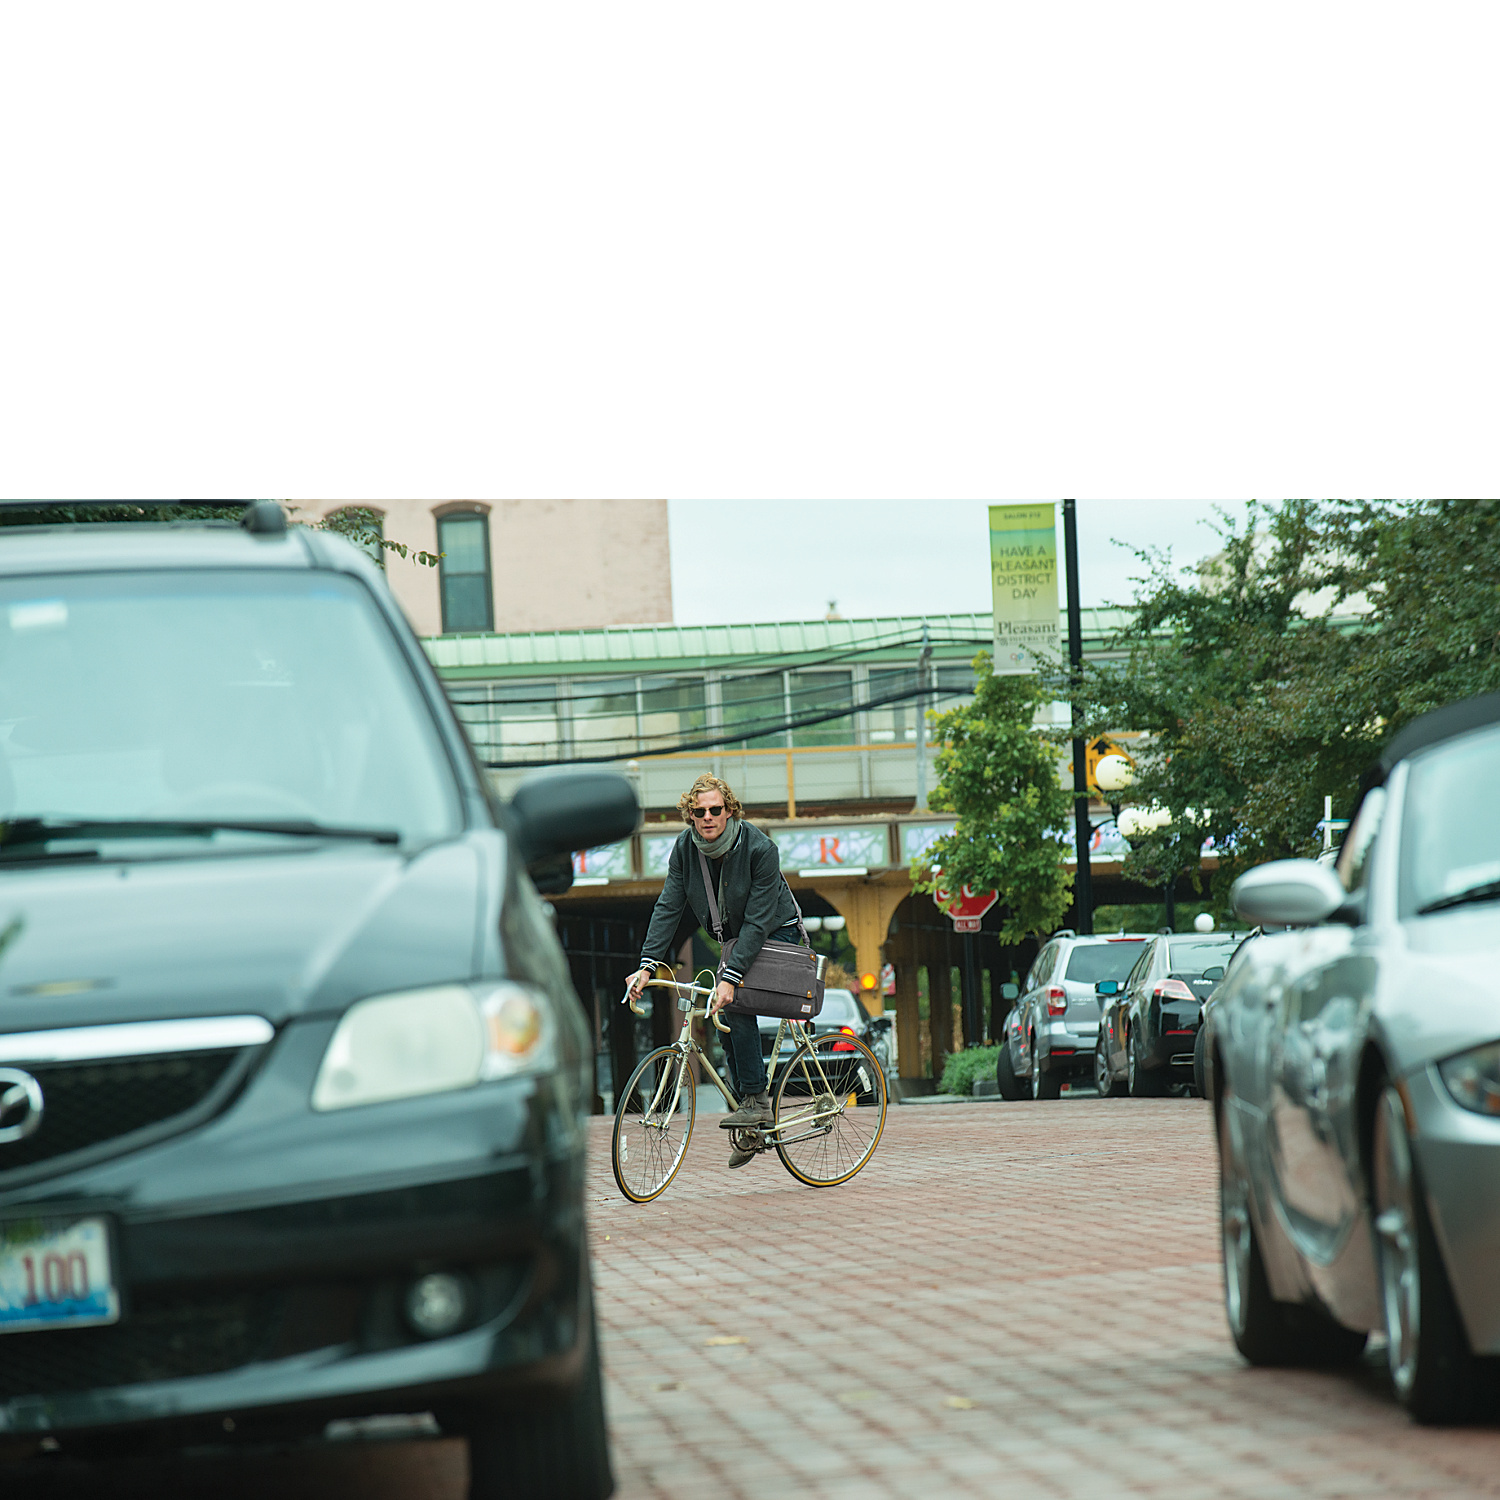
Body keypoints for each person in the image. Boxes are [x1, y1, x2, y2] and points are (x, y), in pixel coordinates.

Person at [625, 774, 804, 1169]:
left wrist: (732, 976)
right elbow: (668, 907)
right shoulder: (685, 849)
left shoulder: (760, 848)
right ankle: (750, 1113)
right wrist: (646, 965)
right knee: (721, 1012)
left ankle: (756, 1101)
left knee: (736, 999)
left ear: (730, 811)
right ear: (690, 814)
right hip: (736, 939)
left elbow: (757, 923)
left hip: (776, 930)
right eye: (699, 811)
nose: (707, 817)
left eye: (715, 810)